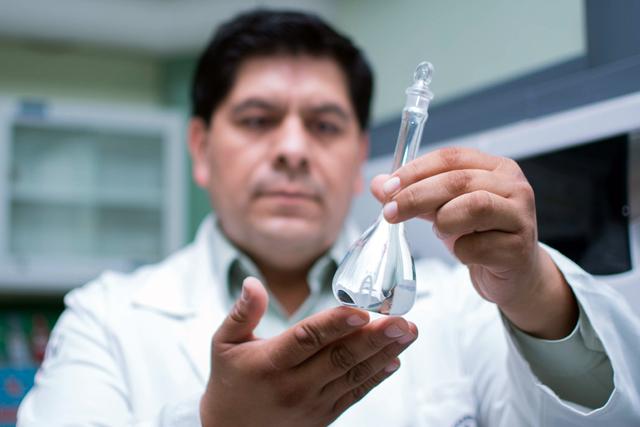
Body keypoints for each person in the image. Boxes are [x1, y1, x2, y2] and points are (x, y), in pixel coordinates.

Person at [17, 9, 640, 427]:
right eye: (258, 120)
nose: (293, 149)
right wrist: (212, 424)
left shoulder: (460, 306)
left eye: (323, 125)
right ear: (201, 149)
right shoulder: (107, 320)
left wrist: (532, 290)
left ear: (356, 154)